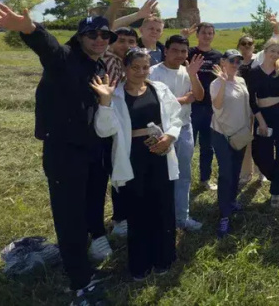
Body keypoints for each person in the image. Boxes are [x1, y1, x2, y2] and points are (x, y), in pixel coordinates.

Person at [0, 2, 114, 305]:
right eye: (92, 34)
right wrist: (29, 27)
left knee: (89, 211)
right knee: (71, 219)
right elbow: (48, 47)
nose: (100, 39)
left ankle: (84, 264)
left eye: (105, 34)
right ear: (79, 37)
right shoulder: (64, 59)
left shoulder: (98, 65)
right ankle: (81, 284)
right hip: (65, 153)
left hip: (91, 150)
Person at [91, 49, 181, 281]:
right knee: (138, 212)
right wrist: (104, 101)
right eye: (135, 67)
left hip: (160, 153)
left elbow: (176, 117)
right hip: (132, 157)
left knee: (163, 208)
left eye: (145, 67)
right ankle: (140, 265)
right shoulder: (117, 95)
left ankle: (164, 259)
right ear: (125, 68)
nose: (140, 72)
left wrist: (170, 136)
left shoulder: (158, 89)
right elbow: (103, 129)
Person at [148, 35, 205, 232]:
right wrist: (182, 99)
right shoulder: (153, 72)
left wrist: (193, 75)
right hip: (160, 131)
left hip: (184, 127)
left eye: (183, 51)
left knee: (183, 174)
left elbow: (198, 96)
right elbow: (153, 103)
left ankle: (182, 217)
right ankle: (158, 217)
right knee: (159, 175)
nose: (179, 55)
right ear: (166, 50)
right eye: (175, 50)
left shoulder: (187, 72)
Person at [248, 40, 279, 208]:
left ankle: (277, 192)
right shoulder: (254, 72)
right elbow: (251, 99)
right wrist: (261, 121)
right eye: (272, 50)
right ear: (265, 51)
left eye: (278, 52)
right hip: (263, 115)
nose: (275, 54)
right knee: (261, 154)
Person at [210, 49, 253, 237]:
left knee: (236, 170)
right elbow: (217, 105)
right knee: (226, 174)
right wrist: (221, 81)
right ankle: (224, 216)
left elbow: (246, 106)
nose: (235, 65)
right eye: (232, 61)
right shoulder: (216, 83)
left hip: (240, 134)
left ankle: (232, 200)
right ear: (223, 62)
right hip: (222, 134)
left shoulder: (241, 81)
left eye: (238, 62)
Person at [235, 18, 279, 185]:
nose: (247, 47)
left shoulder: (259, 59)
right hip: (241, 105)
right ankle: (246, 173)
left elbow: (273, 45)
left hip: (259, 105)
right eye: (243, 44)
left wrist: (275, 28)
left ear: (254, 46)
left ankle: (262, 170)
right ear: (239, 46)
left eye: (250, 44)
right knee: (245, 138)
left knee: (261, 138)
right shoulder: (235, 61)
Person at [104, 26, 139, 238]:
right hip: (110, 121)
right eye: (121, 41)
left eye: (131, 41)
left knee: (126, 169)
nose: (126, 45)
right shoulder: (107, 60)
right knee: (117, 170)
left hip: (127, 121)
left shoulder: (127, 61)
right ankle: (119, 219)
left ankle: (126, 215)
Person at [181, 22, 222, 191]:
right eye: (204, 33)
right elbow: (169, 55)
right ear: (197, 35)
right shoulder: (189, 53)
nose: (207, 36)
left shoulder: (218, 56)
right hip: (191, 105)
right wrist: (183, 38)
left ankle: (204, 179)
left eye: (210, 33)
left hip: (211, 107)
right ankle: (184, 179)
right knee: (187, 146)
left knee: (207, 146)